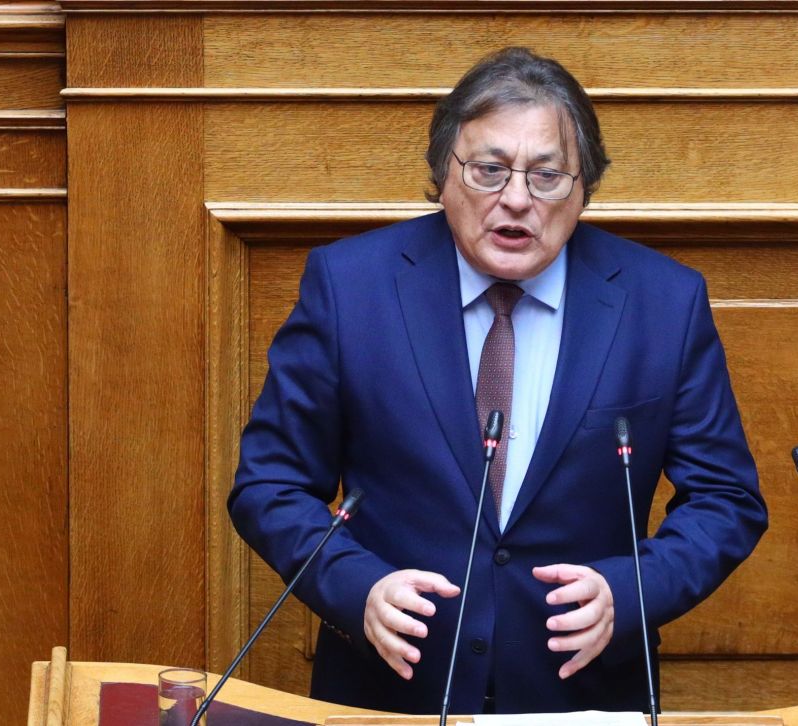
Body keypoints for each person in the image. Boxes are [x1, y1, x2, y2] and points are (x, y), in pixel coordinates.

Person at [230, 47, 767, 715]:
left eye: (547, 175)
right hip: (391, 694)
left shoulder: (663, 303)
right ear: (444, 173)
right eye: (489, 170)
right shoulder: (350, 288)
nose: (516, 199)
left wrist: (631, 592)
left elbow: (725, 498)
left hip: (583, 695)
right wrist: (357, 587)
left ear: (584, 188)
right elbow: (269, 483)